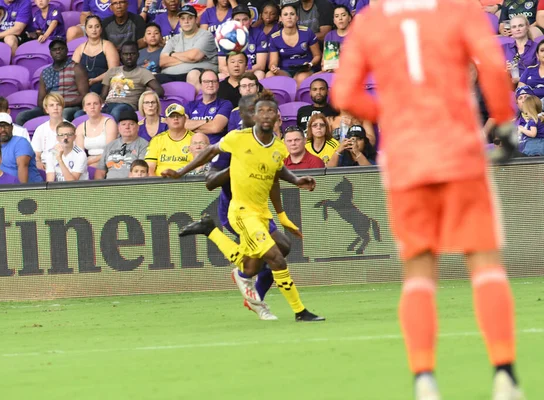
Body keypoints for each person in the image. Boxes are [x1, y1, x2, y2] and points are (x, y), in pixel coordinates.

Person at [331, 1, 522, 398]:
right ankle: (504, 376)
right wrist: (503, 122)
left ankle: (424, 380)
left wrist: (391, 112)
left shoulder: (369, 21)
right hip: (460, 153)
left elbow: (343, 92)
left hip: (405, 160)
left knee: (418, 275)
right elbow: (492, 63)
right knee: (485, 265)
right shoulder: (458, 10)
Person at [162, 91, 325, 322]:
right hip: (240, 212)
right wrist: (180, 172)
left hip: (261, 213)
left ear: (278, 116)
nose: (266, 115)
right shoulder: (238, 138)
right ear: (254, 116)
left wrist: (295, 184)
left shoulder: (278, 147)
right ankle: (300, 311)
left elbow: (276, 174)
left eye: (271, 111)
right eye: (261, 111)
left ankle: (237, 267)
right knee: (277, 258)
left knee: (259, 261)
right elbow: (210, 152)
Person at [16, 38, 89, 125]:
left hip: (71, 107)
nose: (58, 52)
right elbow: (40, 100)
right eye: (54, 50)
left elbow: (84, 96)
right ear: (50, 53)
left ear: (66, 50)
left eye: (61, 49)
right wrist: (48, 108)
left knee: (63, 114)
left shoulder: (76, 68)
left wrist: (63, 104)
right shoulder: (45, 72)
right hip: (50, 107)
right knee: (21, 116)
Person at [99, 41, 164, 121]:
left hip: (127, 105)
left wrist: (143, 100)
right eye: (125, 54)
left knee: (116, 111)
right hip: (108, 104)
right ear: (121, 56)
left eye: (132, 54)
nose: (129, 57)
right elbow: (103, 95)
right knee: (81, 113)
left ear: (138, 55)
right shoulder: (112, 71)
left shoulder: (143, 72)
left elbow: (160, 90)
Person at [157, 5, 218, 89]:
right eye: (182, 18)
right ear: (179, 21)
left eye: (190, 18)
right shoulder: (174, 39)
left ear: (196, 20)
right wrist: (188, 58)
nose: (186, 21)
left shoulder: (206, 35)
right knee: (153, 79)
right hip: (171, 75)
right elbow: (162, 62)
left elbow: (193, 56)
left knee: (193, 75)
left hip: (195, 75)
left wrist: (172, 54)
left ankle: (195, 102)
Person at [266, 5, 322, 86]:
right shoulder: (275, 37)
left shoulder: (307, 32)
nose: (289, 17)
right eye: (285, 14)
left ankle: (299, 99)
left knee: (300, 77)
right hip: (285, 70)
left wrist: (310, 64)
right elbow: (273, 61)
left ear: (297, 17)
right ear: (280, 18)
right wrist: (273, 67)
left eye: (292, 14)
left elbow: (317, 55)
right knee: (269, 75)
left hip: (304, 69)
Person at [71, 15, 120, 95]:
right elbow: (72, 71)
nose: (94, 30)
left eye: (97, 26)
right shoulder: (80, 48)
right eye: (90, 27)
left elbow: (113, 70)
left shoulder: (108, 46)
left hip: (104, 86)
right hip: (83, 87)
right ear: (85, 30)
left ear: (101, 29)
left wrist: (95, 80)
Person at [95, 109, 149, 179]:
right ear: (119, 127)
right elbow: (100, 171)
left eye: (131, 124)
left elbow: (142, 171)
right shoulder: (110, 145)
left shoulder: (144, 145)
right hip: (109, 185)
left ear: (138, 127)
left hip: (132, 185)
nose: (127, 127)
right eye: (123, 124)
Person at [218, 5, 267, 81]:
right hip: (231, 73)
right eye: (237, 20)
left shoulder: (259, 34)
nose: (241, 23)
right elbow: (222, 66)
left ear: (250, 21)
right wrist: (235, 75)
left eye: (245, 20)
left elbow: (261, 65)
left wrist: (243, 74)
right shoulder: (225, 36)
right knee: (220, 76)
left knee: (260, 73)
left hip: (251, 72)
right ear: (232, 21)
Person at [145, 103, 194, 176]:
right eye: (172, 116)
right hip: (160, 183)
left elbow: (199, 167)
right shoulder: (157, 140)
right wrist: (156, 186)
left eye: (179, 115)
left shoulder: (194, 139)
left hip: (186, 182)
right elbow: (149, 168)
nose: (175, 118)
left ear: (185, 119)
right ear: (166, 120)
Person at [184, 69, 232, 144]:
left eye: (214, 81)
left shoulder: (225, 104)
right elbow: (182, 126)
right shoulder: (190, 105)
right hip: (192, 147)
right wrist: (206, 121)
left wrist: (191, 127)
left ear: (218, 84)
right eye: (206, 81)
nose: (210, 85)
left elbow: (215, 128)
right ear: (200, 85)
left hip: (214, 148)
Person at [0, 112, 43, 183]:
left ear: (12, 127)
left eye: (6, 126)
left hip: (30, 189)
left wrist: (20, 192)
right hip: (7, 190)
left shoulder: (20, 142)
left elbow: (23, 166)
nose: (3, 129)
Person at [75, 92, 118, 166]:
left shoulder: (109, 123)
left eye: (95, 103)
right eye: (88, 104)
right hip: (89, 161)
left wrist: (90, 162)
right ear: (84, 108)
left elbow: (110, 151)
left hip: (109, 159)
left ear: (101, 106)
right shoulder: (80, 128)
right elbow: (79, 153)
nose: (92, 106)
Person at [66, 0, 140, 42]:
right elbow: (85, 14)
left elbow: (130, 15)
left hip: (114, 26)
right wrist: (87, 25)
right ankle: (70, 63)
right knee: (72, 32)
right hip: (95, 25)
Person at [31, 93, 67, 169]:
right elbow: (36, 153)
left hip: (63, 165)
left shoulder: (70, 128)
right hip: (44, 165)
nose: (55, 108)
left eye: (58, 105)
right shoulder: (40, 129)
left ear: (62, 108)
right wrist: (38, 162)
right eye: (51, 105)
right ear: (46, 109)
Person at [502, 15, 537, 83]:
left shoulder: (537, 47)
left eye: (521, 25)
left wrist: (520, 79)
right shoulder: (504, 48)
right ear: (511, 30)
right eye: (514, 27)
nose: (517, 29)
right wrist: (505, 70)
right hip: (510, 85)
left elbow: (541, 72)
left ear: (527, 27)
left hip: (531, 86)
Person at [322, 5, 352, 72]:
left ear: (349, 18)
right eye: (336, 16)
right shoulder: (329, 36)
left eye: (343, 15)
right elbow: (324, 64)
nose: (340, 18)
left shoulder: (357, 34)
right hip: (333, 72)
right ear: (334, 21)